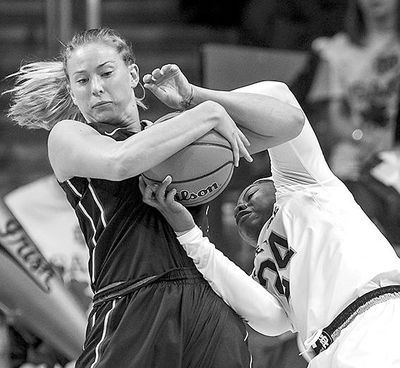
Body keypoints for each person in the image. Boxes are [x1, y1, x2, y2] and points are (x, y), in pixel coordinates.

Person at [4, 27, 304, 367]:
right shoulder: (69, 136)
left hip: (208, 300)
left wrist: (196, 97)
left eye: (106, 72)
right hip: (132, 303)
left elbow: (289, 124)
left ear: (132, 74)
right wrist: (205, 116)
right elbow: (120, 162)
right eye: (82, 81)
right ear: (73, 93)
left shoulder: (184, 131)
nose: (97, 88)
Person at [140, 79, 400, 367]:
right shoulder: (266, 274)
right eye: (238, 207)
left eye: (248, 193)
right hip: (327, 352)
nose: (240, 204)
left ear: (274, 182)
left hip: (379, 323)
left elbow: (278, 96)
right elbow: (269, 320)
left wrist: (196, 102)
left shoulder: (307, 185)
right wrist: (188, 232)